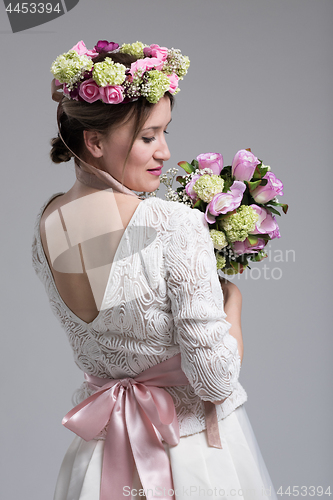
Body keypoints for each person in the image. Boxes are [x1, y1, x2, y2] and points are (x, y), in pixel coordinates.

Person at [32, 40, 278, 500]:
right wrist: (234, 305)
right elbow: (216, 381)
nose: (164, 151)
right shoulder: (173, 222)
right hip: (187, 456)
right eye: (148, 136)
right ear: (96, 140)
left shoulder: (47, 221)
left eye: (165, 132)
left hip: (98, 457)